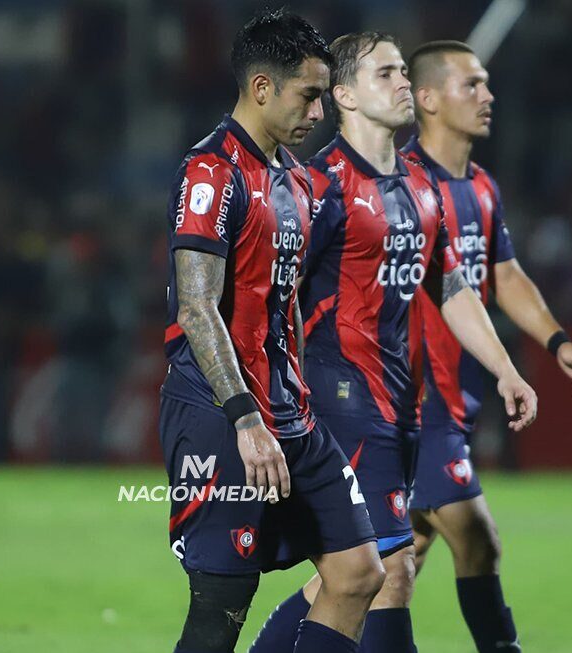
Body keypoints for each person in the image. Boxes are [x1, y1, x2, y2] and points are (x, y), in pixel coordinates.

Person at [250, 33, 537, 653]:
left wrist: (505, 369)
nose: (404, 83)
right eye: (387, 74)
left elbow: (451, 285)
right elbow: (271, 300)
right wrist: (261, 407)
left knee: (348, 579)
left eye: (405, 71)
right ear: (345, 95)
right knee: (390, 573)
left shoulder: (421, 184)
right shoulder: (317, 188)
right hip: (338, 402)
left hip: (399, 406)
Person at [160, 10, 386, 653]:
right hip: (220, 412)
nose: (319, 111)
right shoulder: (212, 172)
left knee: (358, 572)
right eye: (309, 94)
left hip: (291, 416)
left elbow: (287, 301)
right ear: (262, 88)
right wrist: (243, 416)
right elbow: (198, 308)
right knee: (221, 608)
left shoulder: (294, 178)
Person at [402, 40, 572, 652]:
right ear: (427, 99)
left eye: (487, 84)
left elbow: (504, 275)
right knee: (476, 536)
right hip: (414, 399)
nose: (489, 96)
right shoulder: (402, 186)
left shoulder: (482, 188)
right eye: (472, 85)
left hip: (457, 396)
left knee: (388, 568)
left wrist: (556, 338)